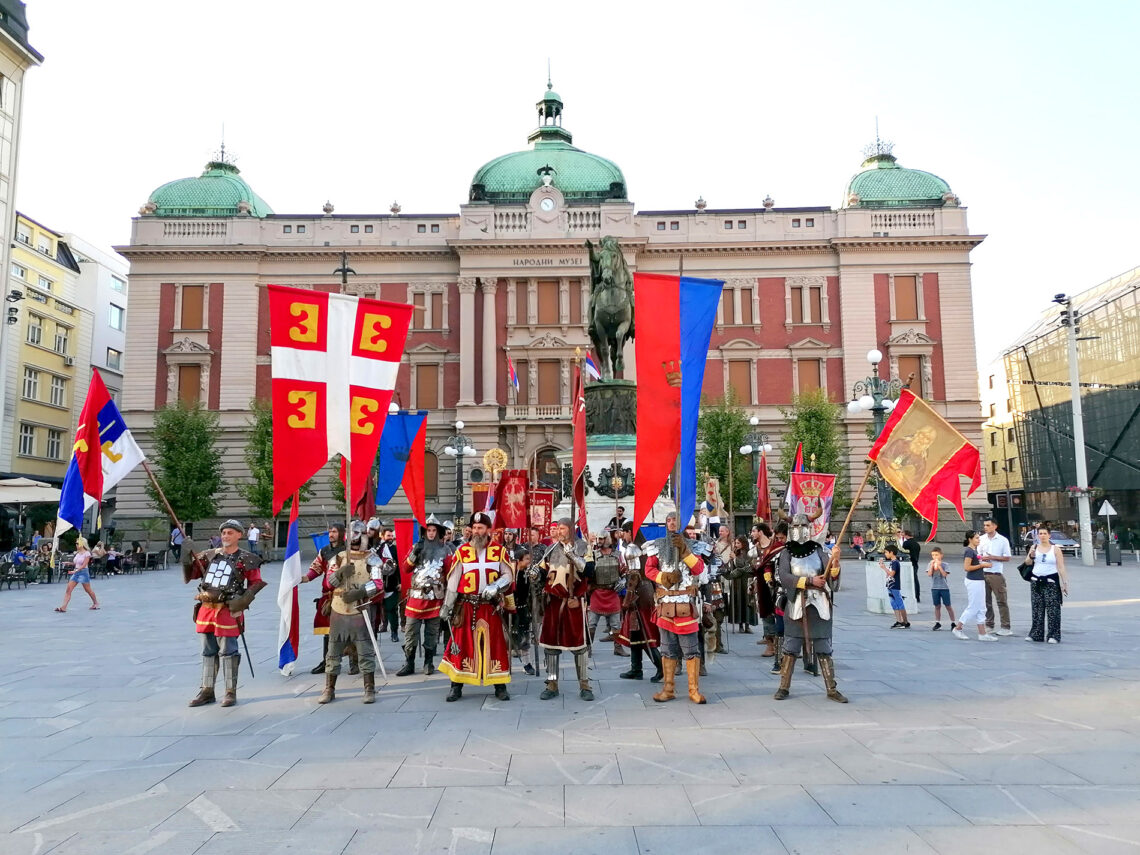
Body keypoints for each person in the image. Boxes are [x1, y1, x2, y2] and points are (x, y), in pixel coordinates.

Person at [183, 520, 266, 706]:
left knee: (228, 651)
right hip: (206, 610)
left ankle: (230, 691)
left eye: (230, 533)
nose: (226, 536)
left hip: (228, 610)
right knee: (208, 651)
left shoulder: (247, 558)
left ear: (239, 535)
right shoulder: (209, 555)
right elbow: (191, 574)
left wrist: (243, 600)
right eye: (224, 533)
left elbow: (256, 582)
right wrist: (186, 556)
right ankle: (207, 690)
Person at [439, 512, 513, 702]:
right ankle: (456, 686)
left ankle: (499, 685)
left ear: (489, 530)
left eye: (481, 528)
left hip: (490, 606)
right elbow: (454, 581)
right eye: (474, 528)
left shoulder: (499, 550)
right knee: (461, 645)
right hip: (466, 606)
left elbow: (508, 575)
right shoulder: (462, 551)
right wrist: (447, 606)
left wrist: (495, 586)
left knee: (495, 645)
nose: (477, 531)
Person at [775, 514, 846, 702]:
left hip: (819, 602)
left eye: (803, 526)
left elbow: (832, 581)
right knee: (791, 646)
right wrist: (808, 580)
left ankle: (831, 688)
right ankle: (784, 687)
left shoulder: (819, 551)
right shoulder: (786, 552)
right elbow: (784, 576)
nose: (800, 529)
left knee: (823, 646)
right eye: (796, 526)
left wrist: (836, 563)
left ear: (810, 528)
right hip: (797, 601)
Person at [645, 510, 709, 704]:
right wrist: (663, 578)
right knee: (667, 649)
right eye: (669, 520)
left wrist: (686, 552)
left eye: (675, 520)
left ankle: (693, 690)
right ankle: (668, 688)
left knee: (690, 650)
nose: (672, 523)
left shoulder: (694, 546)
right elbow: (648, 569)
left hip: (685, 605)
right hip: (665, 604)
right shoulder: (656, 546)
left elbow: (699, 569)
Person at [317, 521, 381, 704]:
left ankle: (369, 687)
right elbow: (327, 584)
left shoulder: (372, 558)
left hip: (359, 609)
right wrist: (339, 574)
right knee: (333, 651)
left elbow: (378, 584)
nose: (354, 540)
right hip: (338, 608)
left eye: (358, 535)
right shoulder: (338, 558)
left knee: (365, 651)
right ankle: (329, 688)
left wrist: (360, 592)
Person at [537, 518, 593, 701]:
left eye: (562, 528)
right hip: (553, 602)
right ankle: (552, 684)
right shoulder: (551, 549)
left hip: (573, 601)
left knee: (579, 646)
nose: (559, 531)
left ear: (570, 529)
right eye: (558, 528)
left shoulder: (583, 547)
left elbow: (590, 571)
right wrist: (535, 574)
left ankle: (585, 685)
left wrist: (573, 556)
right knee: (551, 646)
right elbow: (543, 571)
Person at [397, 514, 450, 676]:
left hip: (435, 599)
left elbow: (449, 574)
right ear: (424, 532)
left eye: (434, 530)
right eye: (429, 530)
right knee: (410, 632)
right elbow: (405, 568)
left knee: (431, 634)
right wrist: (415, 553)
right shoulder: (416, 547)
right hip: (415, 598)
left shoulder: (446, 550)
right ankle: (409, 663)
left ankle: (428, 663)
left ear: (438, 532)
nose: (431, 533)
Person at [300, 524, 353, 675]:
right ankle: (327, 660)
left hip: (345, 596)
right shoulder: (324, 551)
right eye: (330, 531)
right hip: (328, 597)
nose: (331, 534)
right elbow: (316, 568)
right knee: (328, 630)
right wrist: (304, 578)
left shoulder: (349, 551)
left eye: (334, 532)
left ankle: (353, 661)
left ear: (341, 533)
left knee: (349, 630)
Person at [1023, 525, 1069, 644]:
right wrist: (1031, 556)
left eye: (1044, 533)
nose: (1042, 536)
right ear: (1037, 535)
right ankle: (1036, 633)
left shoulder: (1055, 549)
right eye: (1040, 533)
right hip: (1036, 580)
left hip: (1050, 581)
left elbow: (1061, 566)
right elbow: (1027, 562)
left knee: (1053, 608)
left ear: (1049, 535)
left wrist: (1065, 583)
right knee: (1037, 608)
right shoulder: (1034, 547)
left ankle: (1053, 634)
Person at [952, 530, 996, 642]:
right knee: (973, 607)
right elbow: (967, 567)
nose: (979, 540)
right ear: (970, 539)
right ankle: (958, 628)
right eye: (976, 538)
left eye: (979, 538)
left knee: (982, 607)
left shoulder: (974, 551)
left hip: (979, 580)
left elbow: (975, 562)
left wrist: (983, 561)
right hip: (974, 581)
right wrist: (982, 565)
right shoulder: (969, 551)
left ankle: (982, 633)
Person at [588, 536, 626, 657]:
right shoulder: (593, 555)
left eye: (602, 539)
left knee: (616, 624)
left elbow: (624, 572)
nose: (600, 541)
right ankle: (588, 648)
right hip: (597, 592)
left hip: (612, 592)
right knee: (591, 624)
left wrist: (623, 581)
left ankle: (618, 647)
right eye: (599, 539)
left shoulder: (617, 555)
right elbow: (588, 573)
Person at [979, 518, 1013, 636]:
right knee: (986, 601)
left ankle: (1005, 626)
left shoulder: (1002, 540)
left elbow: (1007, 557)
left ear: (995, 526)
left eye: (988, 525)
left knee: (1001, 600)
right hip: (983, 572)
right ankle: (989, 624)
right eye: (984, 525)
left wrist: (993, 557)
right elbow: (978, 554)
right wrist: (980, 558)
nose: (985, 527)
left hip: (996, 573)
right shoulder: (981, 539)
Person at [55, 538, 100, 612]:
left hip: (83, 572)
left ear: (82, 544)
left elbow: (84, 565)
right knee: (68, 589)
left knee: (88, 590)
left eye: (77, 543)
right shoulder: (77, 553)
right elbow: (77, 563)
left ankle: (96, 603)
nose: (76, 545)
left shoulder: (87, 553)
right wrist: (69, 563)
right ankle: (63, 607)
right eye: (76, 543)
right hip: (76, 572)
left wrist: (75, 571)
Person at [926, 547, 956, 630]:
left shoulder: (945, 564)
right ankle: (937, 622)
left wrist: (939, 566)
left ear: (941, 555)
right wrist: (932, 566)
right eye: (933, 555)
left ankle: (953, 622)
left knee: (948, 605)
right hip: (934, 588)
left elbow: (944, 575)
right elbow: (929, 574)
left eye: (936, 555)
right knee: (937, 606)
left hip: (944, 588)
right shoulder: (930, 564)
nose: (935, 557)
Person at [880, 544, 909, 629]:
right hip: (891, 585)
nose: (885, 554)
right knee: (894, 604)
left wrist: (884, 568)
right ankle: (899, 620)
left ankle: (905, 621)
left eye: (886, 552)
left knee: (899, 603)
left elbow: (892, 574)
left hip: (894, 585)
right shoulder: (893, 562)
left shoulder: (895, 562)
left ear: (891, 552)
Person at [901, 531, 922, 603]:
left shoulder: (906, 543)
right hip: (915, 563)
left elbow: (903, 553)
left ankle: (908, 594)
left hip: (908, 563)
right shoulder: (917, 544)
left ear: (906, 535)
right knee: (915, 579)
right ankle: (917, 596)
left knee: (907, 579)